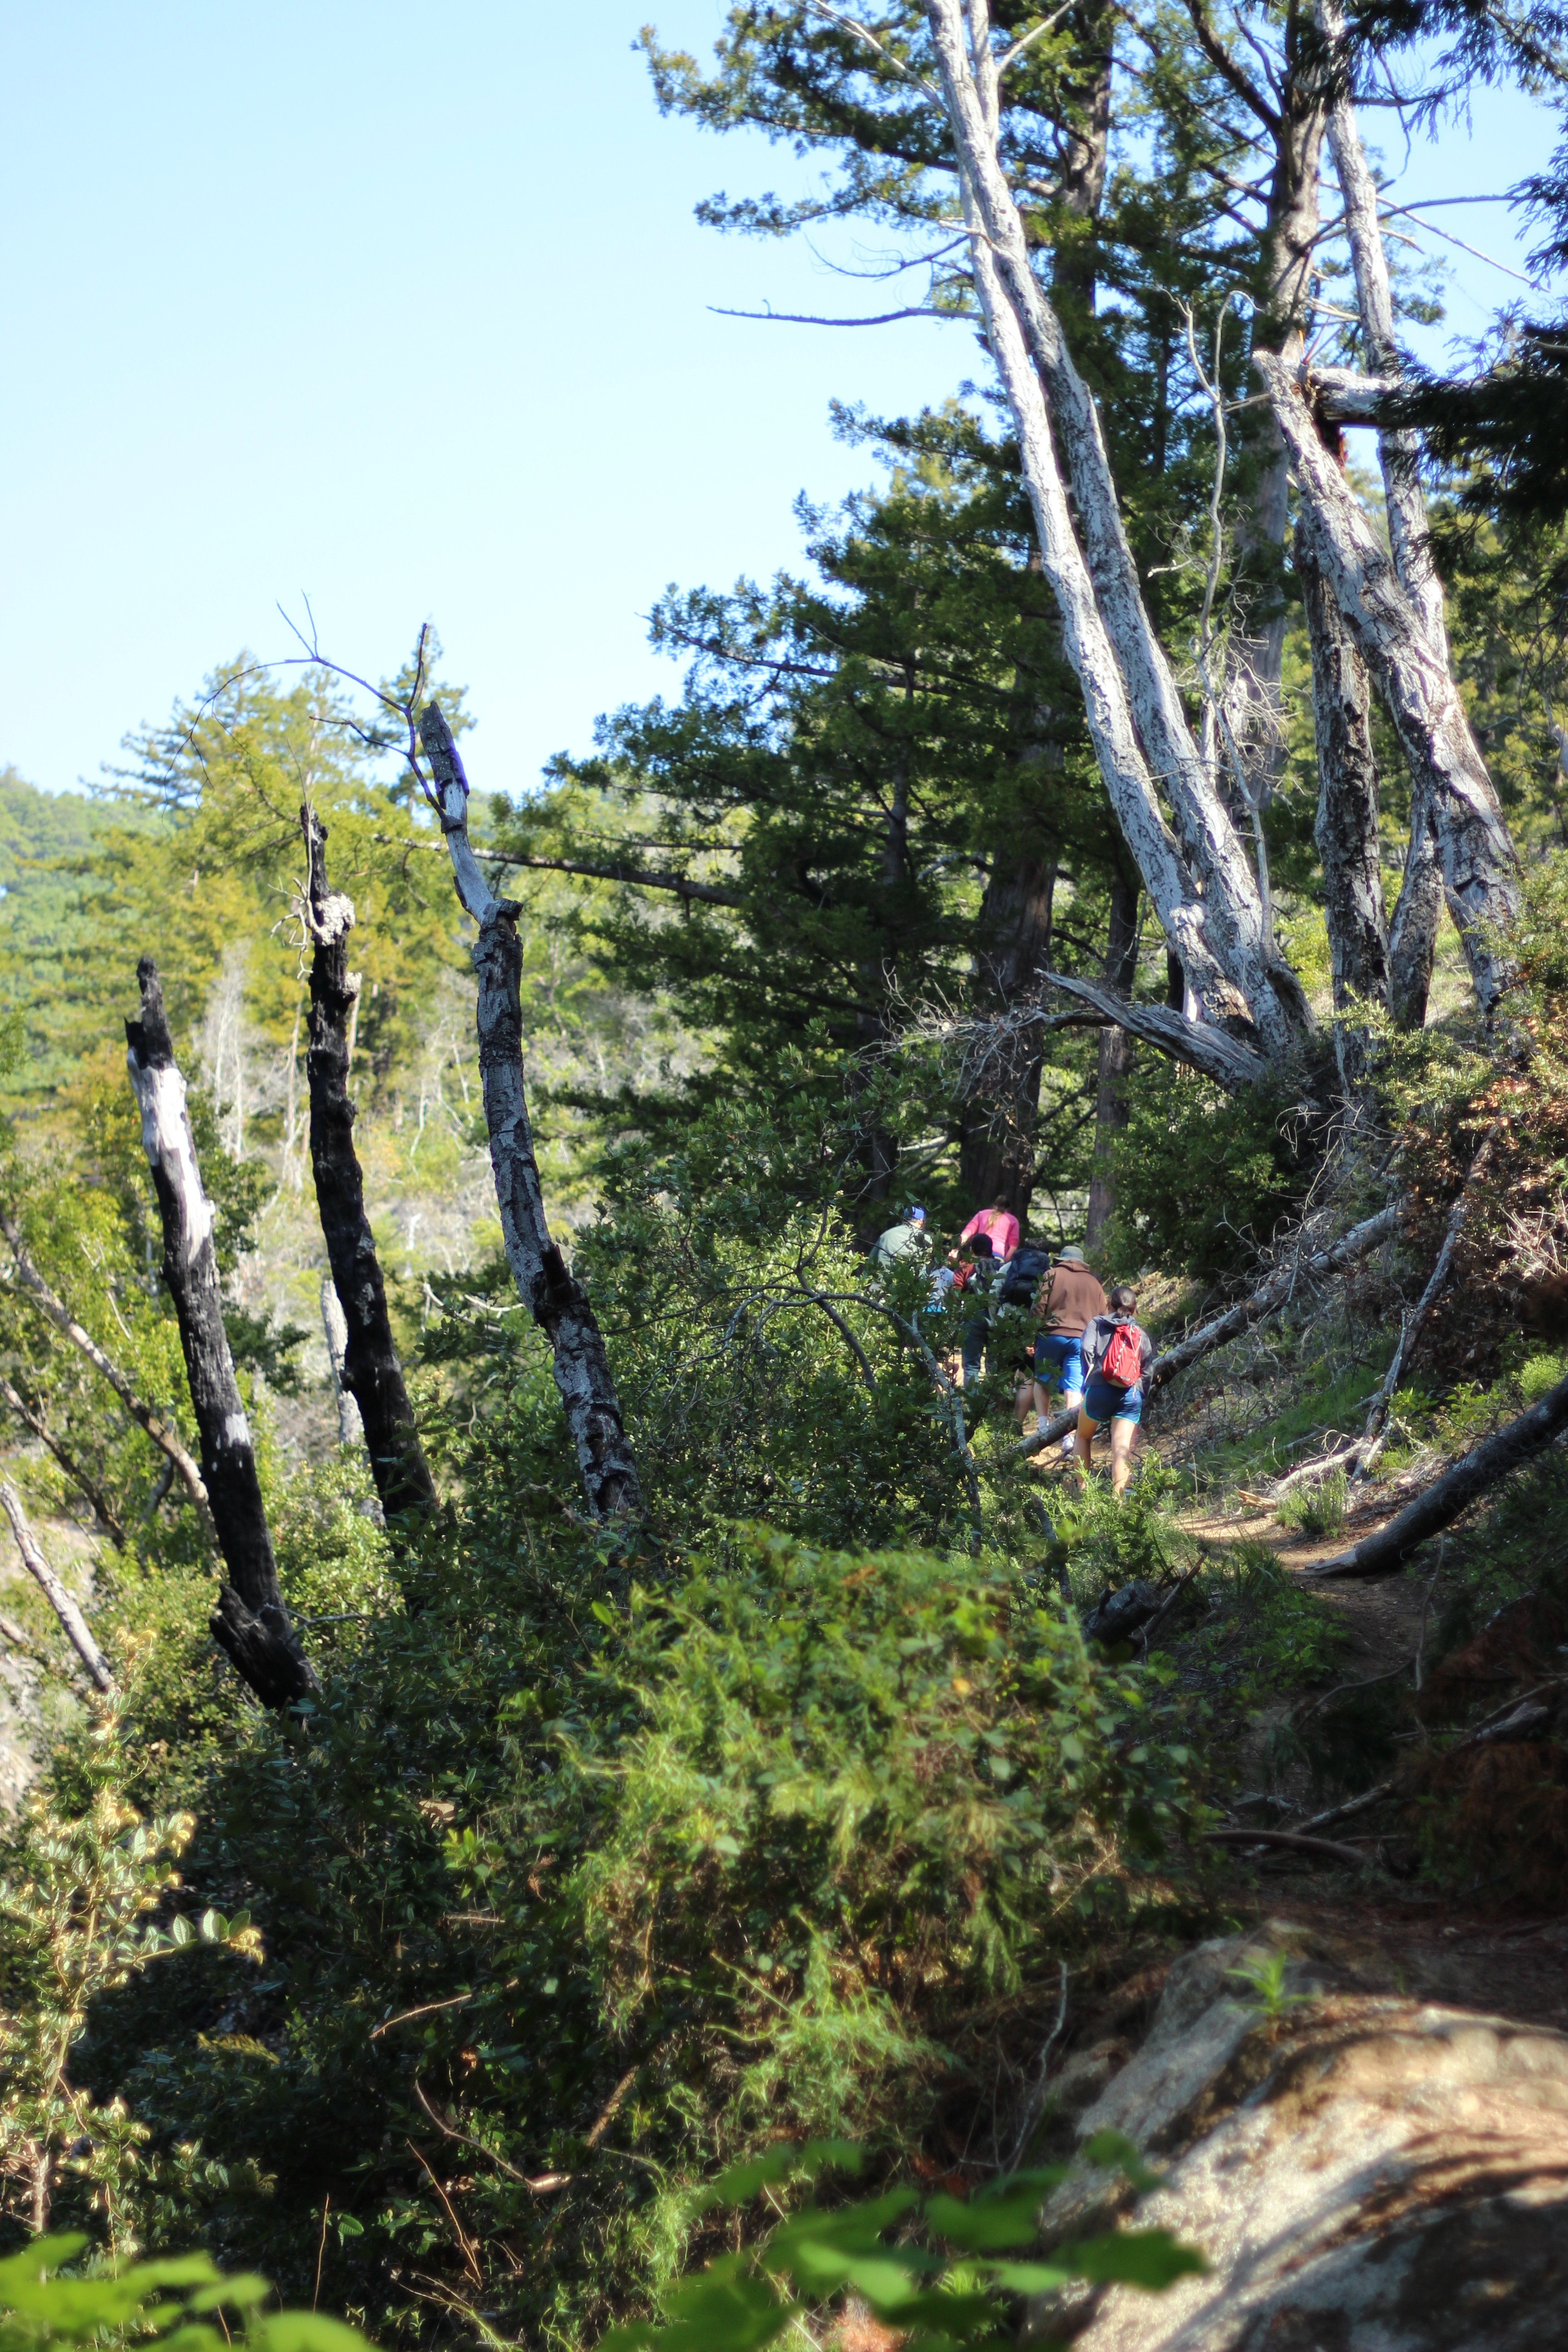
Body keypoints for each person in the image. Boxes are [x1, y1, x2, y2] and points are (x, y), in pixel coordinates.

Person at [1075, 1284, 1155, 1494]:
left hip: (1100, 1389)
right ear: (1135, 1308)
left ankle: (1085, 1495)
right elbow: (1147, 1370)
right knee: (1121, 1451)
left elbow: (1085, 1349)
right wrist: (1140, 1394)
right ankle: (1118, 1505)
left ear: (1109, 1303)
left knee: (1083, 1437)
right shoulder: (1139, 1334)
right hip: (1130, 1394)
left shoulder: (1097, 1324)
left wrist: (1089, 1377)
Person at [1029, 1245, 1107, 1455]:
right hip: (1081, 1339)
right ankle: (1068, 1438)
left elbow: (1038, 1307)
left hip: (1050, 1336)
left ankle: (1042, 1428)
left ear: (1061, 1260)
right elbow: (1103, 1317)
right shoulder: (1094, 1284)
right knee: (1074, 1386)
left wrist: (1031, 1336)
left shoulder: (1050, 1275)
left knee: (1042, 1379)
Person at [956, 1232, 999, 1387]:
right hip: (997, 1317)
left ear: (972, 1249)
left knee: (972, 1366)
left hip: (974, 1316)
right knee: (995, 1365)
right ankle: (995, 1404)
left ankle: (973, 1406)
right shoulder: (1002, 1266)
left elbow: (956, 1290)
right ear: (991, 1248)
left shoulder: (967, 1265)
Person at [957, 1194, 1020, 1264]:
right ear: (1008, 1208)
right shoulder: (1013, 1220)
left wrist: (956, 1249)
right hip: (997, 1256)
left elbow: (968, 1232)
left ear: (994, 1205)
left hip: (978, 1254)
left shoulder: (982, 1214)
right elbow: (1014, 1246)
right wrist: (1004, 1263)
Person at [869, 1203, 927, 1270]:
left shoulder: (887, 1234)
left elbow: (872, 1260)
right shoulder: (926, 1238)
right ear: (920, 1221)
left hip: (882, 1278)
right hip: (908, 1278)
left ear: (904, 1219)